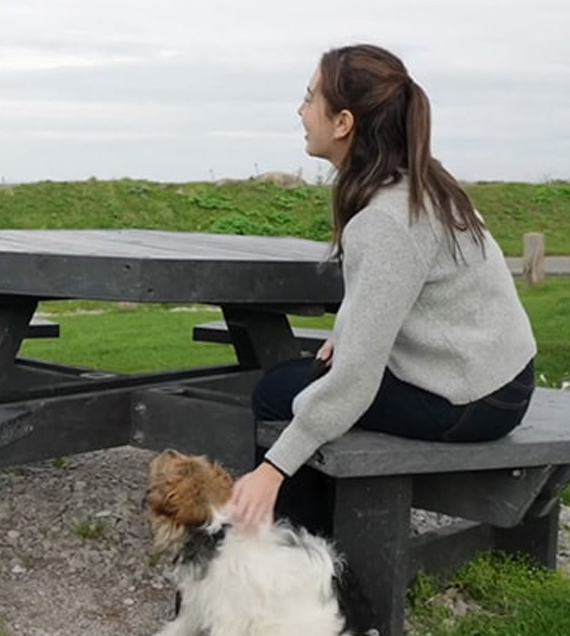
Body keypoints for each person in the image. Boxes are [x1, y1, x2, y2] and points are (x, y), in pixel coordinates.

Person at [228, 43, 538, 537]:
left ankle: (305, 562)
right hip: (499, 377)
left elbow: (355, 381)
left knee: (279, 392)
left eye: (310, 98)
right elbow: (386, 294)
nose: (301, 110)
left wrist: (273, 470)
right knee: (310, 375)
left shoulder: (386, 220)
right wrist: (347, 333)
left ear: (344, 122)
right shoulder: (422, 184)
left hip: (470, 399)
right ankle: (312, 542)